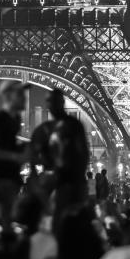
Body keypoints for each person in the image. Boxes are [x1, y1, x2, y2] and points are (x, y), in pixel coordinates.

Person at [0, 81, 30, 227]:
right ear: (8, 96)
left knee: (8, 219)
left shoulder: (15, 119)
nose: (24, 98)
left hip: (10, 178)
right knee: (3, 220)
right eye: (19, 94)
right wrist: (15, 156)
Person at [46, 89, 90, 227]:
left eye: (53, 102)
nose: (51, 106)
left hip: (69, 181)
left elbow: (82, 153)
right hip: (67, 181)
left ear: (61, 103)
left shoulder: (67, 126)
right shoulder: (72, 125)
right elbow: (83, 153)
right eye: (50, 102)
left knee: (64, 220)